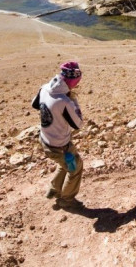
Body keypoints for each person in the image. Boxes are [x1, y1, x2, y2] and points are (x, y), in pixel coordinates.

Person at [32, 61, 84, 209]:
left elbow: (35, 105)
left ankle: (54, 189)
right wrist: (74, 101)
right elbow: (78, 124)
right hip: (60, 145)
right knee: (75, 168)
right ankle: (67, 199)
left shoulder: (44, 88)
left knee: (64, 164)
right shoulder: (65, 101)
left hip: (45, 139)